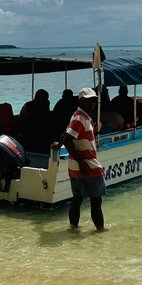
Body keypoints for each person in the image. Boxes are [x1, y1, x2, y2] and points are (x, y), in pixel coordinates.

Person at [59, 87, 105, 231]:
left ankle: (73, 229)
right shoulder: (80, 118)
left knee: (77, 199)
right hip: (88, 165)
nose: (92, 104)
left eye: (94, 101)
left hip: (75, 167)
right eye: (89, 101)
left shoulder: (79, 116)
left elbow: (65, 136)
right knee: (96, 200)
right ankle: (100, 231)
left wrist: (57, 144)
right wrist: (82, 162)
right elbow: (68, 140)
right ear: (80, 101)